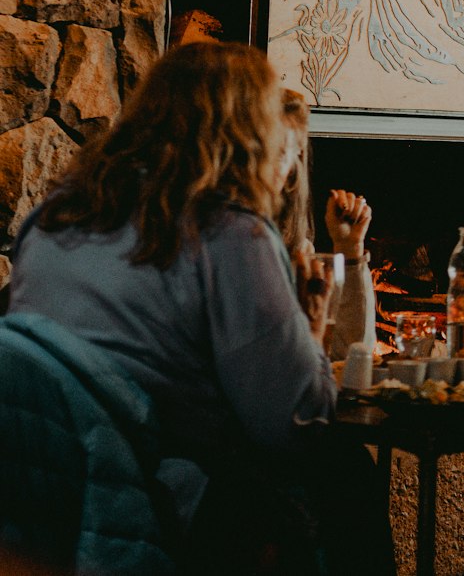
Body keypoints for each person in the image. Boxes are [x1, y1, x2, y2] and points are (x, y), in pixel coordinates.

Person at [8, 41, 396, 576]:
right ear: (244, 128)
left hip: (41, 480)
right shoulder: (230, 232)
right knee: (346, 471)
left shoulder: (55, 217)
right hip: (154, 483)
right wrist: (312, 326)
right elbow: (294, 426)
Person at [276, 88, 377, 361]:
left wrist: (349, 250)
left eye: (288, 155)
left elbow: (353, 355)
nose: (284, 170)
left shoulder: (297, 250)